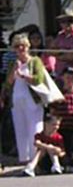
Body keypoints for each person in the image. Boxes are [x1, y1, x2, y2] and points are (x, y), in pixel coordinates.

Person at [5, 33, 47, 164]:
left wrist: (23, 75)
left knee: (35, 130)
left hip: (32, 99)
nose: (20, 48)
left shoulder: (35, 61)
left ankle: (36, 161)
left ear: (28, 46)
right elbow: (8, 83)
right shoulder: (13, 63)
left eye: (23, 45)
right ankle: (24, 160)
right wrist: (14, 70)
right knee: (20, 130)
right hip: (17, 100)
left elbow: (39, 79)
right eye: (17, 46)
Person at [49, 67, 73, 155]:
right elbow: (52, 110)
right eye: (68, 77)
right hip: (60, 127)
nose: (70, 80)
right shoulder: (57, 93)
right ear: (62, 77)